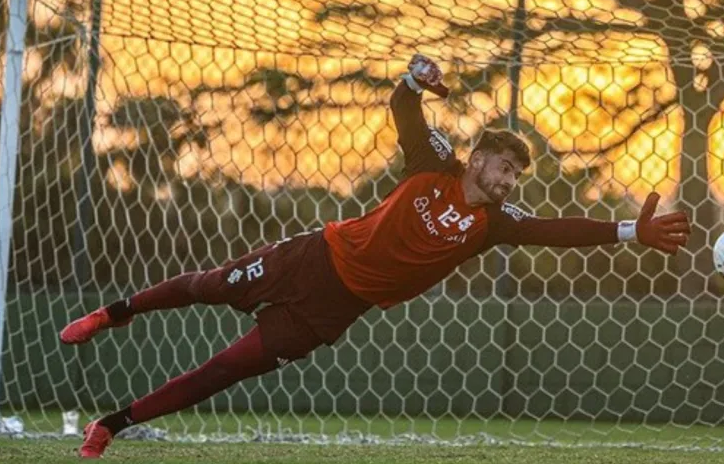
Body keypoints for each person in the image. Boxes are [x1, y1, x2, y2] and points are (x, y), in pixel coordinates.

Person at [61, 54, 691, 458]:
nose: (509, 181)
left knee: (224, 369)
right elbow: (404, 109)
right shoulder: (432, 165)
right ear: (478, 160)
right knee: (205, 286)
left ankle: (110, 426)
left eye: (517, 176)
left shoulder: (492, 224)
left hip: (332, 310)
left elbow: (557, 229)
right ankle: (110, 315)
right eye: (504, 168)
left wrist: (630, 233)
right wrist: (413, 79)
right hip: (311, 256)